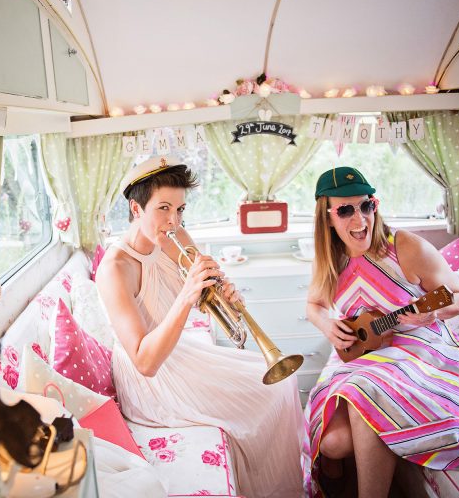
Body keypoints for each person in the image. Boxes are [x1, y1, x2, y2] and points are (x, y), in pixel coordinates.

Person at [96, 156, 304, 498]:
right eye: (163, 208)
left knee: (283, 380)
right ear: (136, 209)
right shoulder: (114, 269)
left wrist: (223, 293)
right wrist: (187, 295)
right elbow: (144, 362)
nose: (173, 220)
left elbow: (205, 298)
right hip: (151, 380)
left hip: (178, 351)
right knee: (270, 393)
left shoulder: (174, 234)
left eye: (180, 209)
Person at [303, 166, 459, 498]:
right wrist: (327, 324)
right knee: (331, 444)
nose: (360, 219)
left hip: (425, 351)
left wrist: (429, 313)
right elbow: (314, 305)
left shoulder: (405, 246)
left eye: (366, 205)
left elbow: (458, 296)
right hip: (364, 353)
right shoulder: (329, 258)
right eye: (345, 210)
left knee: (365, 393)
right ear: (327, 217)